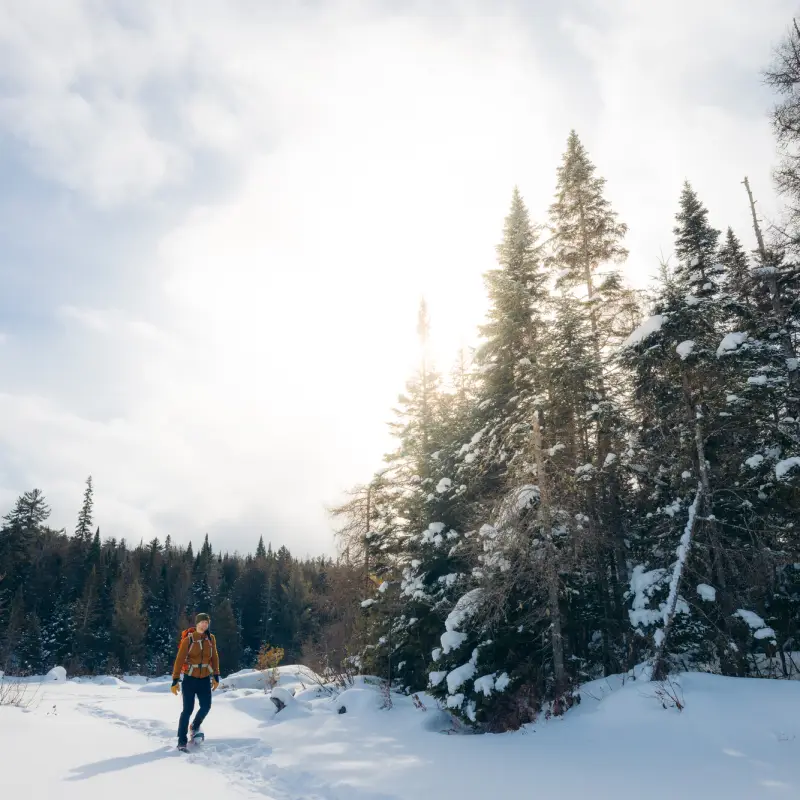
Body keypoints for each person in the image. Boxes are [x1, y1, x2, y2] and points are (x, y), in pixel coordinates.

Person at [171, 612, 221, 751]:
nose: (205, 624)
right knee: (187, 709)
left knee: (206, 706)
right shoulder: (189, 640)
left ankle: (195, 725)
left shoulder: (211, 639)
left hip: (204, 679)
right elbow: (179, 660)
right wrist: (175, 680)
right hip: (189, 679)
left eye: (207, 622)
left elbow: (215, 658)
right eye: (202, 622)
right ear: (197, 623)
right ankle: (181, 741)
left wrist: (216, 676)